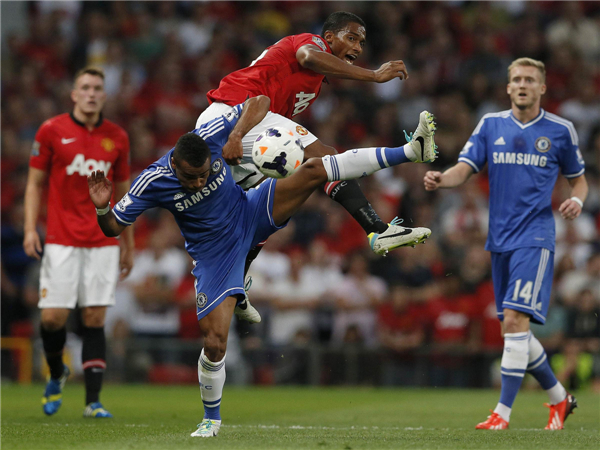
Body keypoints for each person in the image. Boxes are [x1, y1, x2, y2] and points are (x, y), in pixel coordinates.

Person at [88, 95, 436, 437]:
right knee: (215, 342)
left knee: (316, 167)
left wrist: (237, 135)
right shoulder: (152, 181)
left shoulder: (212, 136)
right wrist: (103, 207)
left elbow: (259, 101)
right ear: (175, 166)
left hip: (250, 211)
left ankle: (409, 152)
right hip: (214, 253)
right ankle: (211, 419)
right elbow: (113, 227)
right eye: (190, 178)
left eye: (203, 175)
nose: (197, 182)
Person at [424, 57, 588, 430]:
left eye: (530, 79)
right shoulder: (490, 125)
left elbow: (579, 180)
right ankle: (560, 400)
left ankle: (502, 413)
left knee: (515, 320)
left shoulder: (560, 130)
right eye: (516, 79)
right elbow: (464, 168)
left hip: (536, 236)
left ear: (542, 87)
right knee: (514, 330)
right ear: (508, 87)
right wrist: (441, 179)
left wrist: (576, 200)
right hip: (499, 239)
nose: (523, 84)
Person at [197, 11, 437, 261]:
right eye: (352, 38)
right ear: (329, 37)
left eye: (361, 43)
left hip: (243, 127)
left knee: (272, 206)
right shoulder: (312, 43)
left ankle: (237, 285)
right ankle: (386, 208)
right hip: (235, 111)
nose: (357, 47)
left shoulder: (314, 83)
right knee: (325, 157)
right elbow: (308, 56)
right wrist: (374, 75)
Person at [23, 67, 134, 418]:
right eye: (84, 87)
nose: (90, 93)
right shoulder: (52, 130)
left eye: (97, 88)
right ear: (73, 94)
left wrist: (127, 242)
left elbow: (125, 194)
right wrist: (30, 228)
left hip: (102, 240)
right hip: (61, 239)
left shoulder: (117, 136)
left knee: (94, 317)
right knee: (54, 319)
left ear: (104, 95)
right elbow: (34, 183)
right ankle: (57, 371)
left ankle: (93, 401)